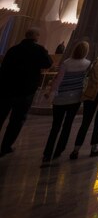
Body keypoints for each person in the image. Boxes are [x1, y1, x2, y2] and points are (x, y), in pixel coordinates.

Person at [0, 28, 52, 157]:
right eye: (38, 34)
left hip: (8, 89)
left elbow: (4, 68)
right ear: (35, 37)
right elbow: (48, 63)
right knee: (17, 120)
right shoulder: (39, 50)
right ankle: (6, 146)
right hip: (26, 90)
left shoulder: (13, 49)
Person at [42, 41, 91, 163]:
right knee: (67, 125)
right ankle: (60, 149)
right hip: (75, 98)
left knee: (55, 126)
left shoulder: (66, 63)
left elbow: (58, 80)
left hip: (60, 97)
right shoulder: (87, 64)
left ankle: (48, 152)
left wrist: (51, 92)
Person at [70, 47, 98, 159]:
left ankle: (76, 149)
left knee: (85, 121)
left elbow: (88, 75)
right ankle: (94, 147)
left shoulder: (95, 62)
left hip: (91, 93)